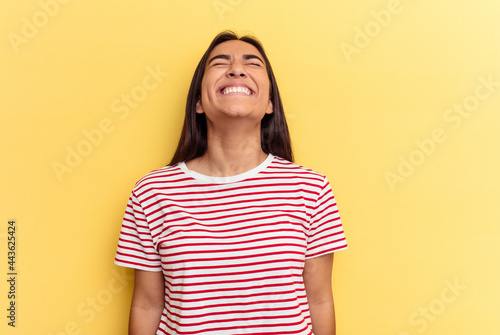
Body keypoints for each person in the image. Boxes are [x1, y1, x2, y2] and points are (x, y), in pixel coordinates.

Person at [114, 30, 348, 335]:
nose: (236, 69)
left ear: (269, 105)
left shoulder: (311, 188)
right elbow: (146, 306)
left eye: (252, 64)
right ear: (198, 103)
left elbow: (319, 300)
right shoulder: (152, 193)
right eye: (220, 63)